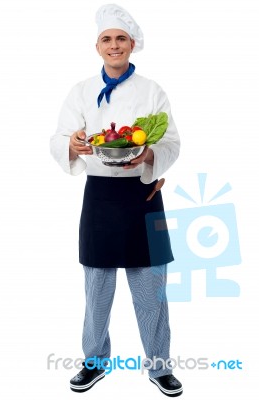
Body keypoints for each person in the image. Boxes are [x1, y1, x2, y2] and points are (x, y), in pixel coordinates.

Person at [50, 3, 183, 397]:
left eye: (120, 39)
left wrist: (150, 156)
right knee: (97, 290)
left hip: (145, 194)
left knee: (152, 291)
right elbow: (59, 139)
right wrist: (72, 144)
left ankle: (160, 366)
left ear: (132, 44)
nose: (114, 45)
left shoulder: (153, 91)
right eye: (107, 39)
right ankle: (94, 361)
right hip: (100, 197)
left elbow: (172, 142)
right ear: (97, 46)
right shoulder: (81, 91)